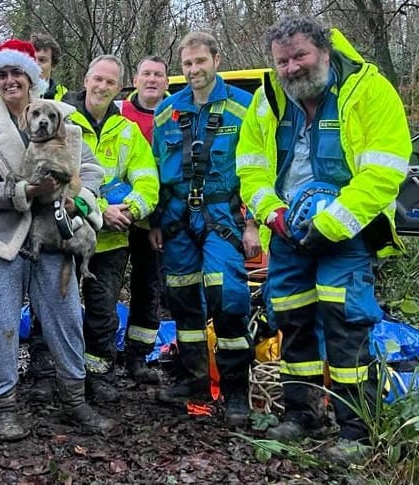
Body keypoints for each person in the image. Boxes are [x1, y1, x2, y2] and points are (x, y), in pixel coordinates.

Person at [236, 15, 411, 463]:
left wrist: (331, 223)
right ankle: (302, 413)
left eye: (300, 56)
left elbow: (384, 171)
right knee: (292, 322)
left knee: (345, 324)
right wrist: (271, 214)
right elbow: (251, 168)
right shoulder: (267, 101)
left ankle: (357, 429)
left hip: (348, 232)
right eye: (282, 61)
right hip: (288, 231)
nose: (291, 67)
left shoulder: (368, 90)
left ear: (325, 52)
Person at [0, 39, 114, 441]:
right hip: (0, 237)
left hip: (55, 234)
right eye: (2, 74)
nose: (10, 80)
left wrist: (80, 200)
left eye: (18, 73)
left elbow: (93, 170)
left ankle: (75, 400)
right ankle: (2, 405)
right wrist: (24, 193)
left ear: (33, 78)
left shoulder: (66, 118)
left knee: (66, 318)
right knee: (1, 323)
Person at [150, 32, 259, 427]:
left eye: (200, 61)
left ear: (217, 58)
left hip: (224, 217)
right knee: (180, 298)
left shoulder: (245, 108)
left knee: (228, 297)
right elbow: (155, 170)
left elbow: (258, 170)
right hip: (177, 217)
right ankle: (194, 381)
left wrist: (252, 225)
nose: (194, 70)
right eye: (187, 64)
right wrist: (157, 221)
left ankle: (235, 393)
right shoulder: (167, 112)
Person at [63, 55, 159, 403]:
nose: (102, 87)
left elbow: (148, 182)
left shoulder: (128, 132)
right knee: (59, 310)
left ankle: (99, 376)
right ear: (86, 80)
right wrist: (101, 210)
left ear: (120, 88)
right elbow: (59, 181)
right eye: (97, 79)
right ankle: (56, 375)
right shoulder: (64, 122)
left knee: (103, 313)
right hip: (67, 235)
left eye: (110, 82)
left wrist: (130, 210)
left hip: (112, 242)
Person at [115, 55, 169, 384]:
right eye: (146, 74)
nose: (152, 80)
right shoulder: (119, 111)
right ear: (135, 79)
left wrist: (159, 219)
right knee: (104, 289)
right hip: (115, 216)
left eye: (158, 75)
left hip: (153, 220)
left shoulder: (175, 113)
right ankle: (103, 355)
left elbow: (172, 175)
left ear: (166, 81)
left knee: (148, 289)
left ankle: (138, 357)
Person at [31, 32, 68, 101]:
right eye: (32, 59)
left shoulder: (66, 98)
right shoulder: (14, 95)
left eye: (42, 60)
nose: (35, 65)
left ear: (53, 65)